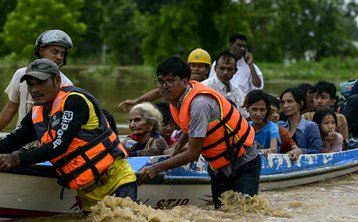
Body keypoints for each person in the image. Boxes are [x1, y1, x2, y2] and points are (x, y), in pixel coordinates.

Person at [0, 59, 137, 213]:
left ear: (57, 80)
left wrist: (15, 159)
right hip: (87, 192)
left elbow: (59, 145)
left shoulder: (75, 101)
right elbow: (13, 140)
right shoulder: (37, 112)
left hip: (115, 180)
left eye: (40, 82)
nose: (35, 89)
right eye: (30, 84)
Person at [138, 57, 260, 209]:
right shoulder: (177, 100)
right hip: (218, 163)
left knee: (245, 212)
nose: (164, 87)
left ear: (185, 81)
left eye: (170, 81)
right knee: (223, 211)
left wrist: (156, 168)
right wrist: (177, 146)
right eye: (160, 81)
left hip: (244, 158)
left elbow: (193, 154)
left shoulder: (199, 104)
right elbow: (189, 127)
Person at [0, 30, 74, 131]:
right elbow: (10, 107)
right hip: (18, 139)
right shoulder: (21, 74)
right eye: (55, 52)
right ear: (40, 51)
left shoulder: (66, 84)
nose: (59, 57)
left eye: (62, 54)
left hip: (47, 142)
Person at [119, 48, 211, 110]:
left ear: (207, 69)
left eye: (200, 66)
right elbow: (158, 92)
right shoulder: (180, 83)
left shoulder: (210, 86)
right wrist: (135, 101)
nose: (195, 69)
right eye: (193, 65)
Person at [202, 50, 248, 118]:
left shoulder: (237, 90)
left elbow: (244, 115)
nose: (225, 72)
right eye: (222, 68)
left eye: (229, 69)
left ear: (235, 71)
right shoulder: (204, 87)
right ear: (215, 68)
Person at [303, 81, 349, 145]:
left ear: (332, 101)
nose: (319, 101)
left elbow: (345, 144)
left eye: (323, 97)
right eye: (316, 97)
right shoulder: (306, 117)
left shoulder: (340, 118)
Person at [278, 87, 323, 154]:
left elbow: (318, 151)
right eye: (283, 102)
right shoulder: (279, 125)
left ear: (301, 104)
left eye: (290, 101)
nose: (285, 106)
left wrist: (301, 151)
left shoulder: (311, 126)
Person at [268, 95, 302, 160]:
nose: (275, 115)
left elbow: (297, 149)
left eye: (277, 112)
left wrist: (294, 152)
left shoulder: (282, 131)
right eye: (271, 112)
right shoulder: (251, 128)